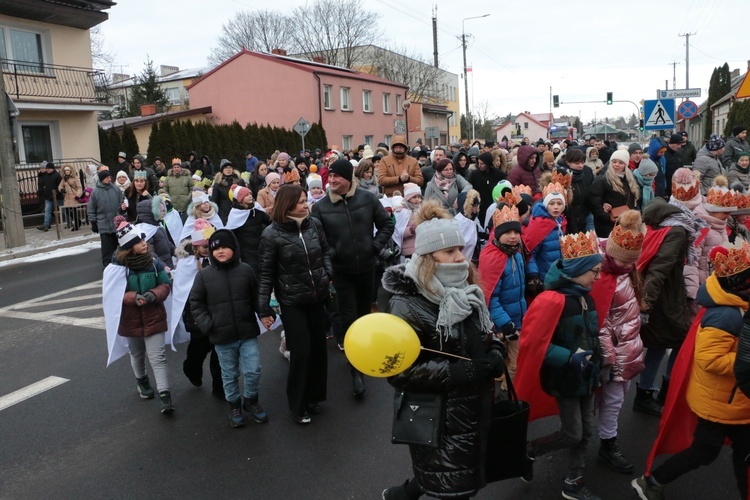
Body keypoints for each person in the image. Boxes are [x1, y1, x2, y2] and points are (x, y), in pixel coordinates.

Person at [380, 202, 502, 500]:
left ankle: (404, 494)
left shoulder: (467, 287)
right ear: (427, 258)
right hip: (440, 415)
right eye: (450, 252)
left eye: (460, 248)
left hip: (474, 406)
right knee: (454, 483)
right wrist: (461, 371)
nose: (461, 257)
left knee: (458, 473)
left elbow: (484, 332)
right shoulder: (406, 304)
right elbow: (399, 371)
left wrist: (496, 348)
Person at [632, 243, 750, 500]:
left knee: (743, 454)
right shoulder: (725, 316)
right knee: (705, 451)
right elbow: (710, 360)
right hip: (720, 402)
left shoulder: (735, 305)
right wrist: (746, 359)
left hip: (732, 400)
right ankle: (651, 482)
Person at [515, 231, 603, 500]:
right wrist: (568, 357)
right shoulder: (552, 300)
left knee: (587, 431)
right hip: (565, 379)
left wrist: (600, 360)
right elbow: (534, 342)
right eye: (594, 272)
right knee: (573, 433)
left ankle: (573, 481)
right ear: (577, 271)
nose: (597, 277)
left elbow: (592, 333)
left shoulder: (586, 296)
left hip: (587, 375)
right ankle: (532, 449)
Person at [311, 159, 394, 397]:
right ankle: (356, 370)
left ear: (349, 178)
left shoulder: (367, 199)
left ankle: (365, 352)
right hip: (342, 272)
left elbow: (386, 225)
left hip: (367, 269)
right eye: (331, 176)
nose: (333, 180)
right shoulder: (321, 207)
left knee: (364, 315)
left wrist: (374, 247)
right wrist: (332, 257)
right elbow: (319, 241)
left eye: (337, 176)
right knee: (349, 318)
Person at [258, 185, 332, 424]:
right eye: (300, 201)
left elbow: (325, 251)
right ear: (287, 205)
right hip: (292, 302)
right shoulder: (271, 234)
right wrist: (263, 307)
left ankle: (314, 398)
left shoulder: (315, 225)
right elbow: (265, 273)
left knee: (319, 350)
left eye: (305, 200)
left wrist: (327, 273)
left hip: (317, 297)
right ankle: (298, 404)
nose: (305, 204)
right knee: (301, 352)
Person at [189, 229, 267, 428]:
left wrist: (265, 313)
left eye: (225, 247)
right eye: (216, 248)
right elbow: (196, 302)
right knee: (229, 374)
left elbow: (256, 297)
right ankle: (234, 404)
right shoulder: (204, 276)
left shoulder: (246, 270)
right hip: (222, 336)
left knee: (253, 369)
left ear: (234, 248)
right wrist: (208, 325)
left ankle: (251, 400)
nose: (220, 251)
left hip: (247, 332)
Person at [589, 210, 645, 474]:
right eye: (624, 261)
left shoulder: (626, 268)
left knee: (620, 396)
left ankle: (601, 437)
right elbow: (601, 322)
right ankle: (607, 446)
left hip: (629, 344)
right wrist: (608, 358)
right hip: (615, 351)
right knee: (612, 401)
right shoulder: (601, 274)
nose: (628, 265)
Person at [633, 197, 700, 416]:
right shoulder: (677, 231)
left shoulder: (662, 229)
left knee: (658, 344)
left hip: (664, 294)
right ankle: (660, 393)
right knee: (677, 341)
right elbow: (659, 269)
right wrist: (646, 305)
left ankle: (650, 393)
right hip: (665, 298)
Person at [110, 216, 174, 414]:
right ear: (129, 247)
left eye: (144, 240)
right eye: (139, 242)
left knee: (158, 357)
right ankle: (142, 381)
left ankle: (165, 395)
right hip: (130, 318)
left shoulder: (154, 262)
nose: (144, 244)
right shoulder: (118, 268)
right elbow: (113, 292)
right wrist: (133, 297)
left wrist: (154, 295)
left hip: (153, 314)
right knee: (137, 353)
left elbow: (166, 284)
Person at [173, 219, 223, 398]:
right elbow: (182, 290)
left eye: (210, 245)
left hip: (218, 311)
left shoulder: (218, 258)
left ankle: (220, 387)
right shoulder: (186, 264)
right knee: (199, 348)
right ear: (195, 247)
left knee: (219, 351)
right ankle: (191, 368)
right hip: (196, 315)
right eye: (203, 246)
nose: (208, 249)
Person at [479, 203, 527, 385]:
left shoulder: (515, 252)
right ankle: (511, 394)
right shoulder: (494, 258)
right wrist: (506, 324)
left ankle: (506, 385)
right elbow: (491, 297)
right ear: (498, 234)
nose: (514, 236)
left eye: (516, 232)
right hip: (505, 322)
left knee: (509, 359)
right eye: (508, 233)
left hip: (517, 316)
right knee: (516, 361)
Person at [588, 148, 640, 237]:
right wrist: (606, 217)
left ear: (625, 165)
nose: (617, 165)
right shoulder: (602, 179)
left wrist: (635, 215)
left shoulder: (630, 180)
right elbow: (594, 202)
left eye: (621, 162)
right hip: (608, 225)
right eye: (614, 162)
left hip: (627, 223)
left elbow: (634, 201)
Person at [523, 181, 567, 283]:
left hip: (558, 276)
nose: (556, 207)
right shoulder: (539, 224)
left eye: (559, 203)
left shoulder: (561, 222)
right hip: (544, 277)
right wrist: (534, 275)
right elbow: (530, 253)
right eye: (552, 203)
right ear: (546, 205)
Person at [225, 184, 270, 273]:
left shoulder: (256, 210)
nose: (250, 196)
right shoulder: (235, 214)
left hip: (261, 247)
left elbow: (270, 222)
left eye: (250, 194)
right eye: (246, 195)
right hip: (245, 251)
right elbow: (231, 233)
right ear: (240, 199)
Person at [88, 170, 124, 268]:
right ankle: (107, 266)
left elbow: (122, 202)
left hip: (116, 221)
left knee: (117, 245)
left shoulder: (116, 189)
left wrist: (122, 210)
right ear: (101, 179)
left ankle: (119, 264)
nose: (109, 179)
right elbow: (91, 208)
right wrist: (93, 222)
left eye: (109, 177)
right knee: (106, 246)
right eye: (106, 178)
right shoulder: (95, 192)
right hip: (103, 222)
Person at [135, 197, 175, 269]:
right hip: (159, 266)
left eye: (163, 210)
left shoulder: (158, 226)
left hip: (167, 262)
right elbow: (150, 251)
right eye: (160, 211)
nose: (163, 212)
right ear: (151, 212)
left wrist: (177, 252)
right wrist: (162, 265)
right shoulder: (146, 230)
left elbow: (167, 243)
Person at [468, 152, 505, 227]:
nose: (479, 165)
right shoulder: (474, 175)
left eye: (482, 163)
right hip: (480, 206)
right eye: (478, 163)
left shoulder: (499, 174)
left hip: (494, 206)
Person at [453, 189, 482, 263]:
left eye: (477, 205)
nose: (476, 209)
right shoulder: (459, 221)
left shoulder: (474, 220)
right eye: (474, 206)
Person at [211, 159, 244, 224]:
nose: (228, 169)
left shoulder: (239, 181)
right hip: (224, 215)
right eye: (226, 168)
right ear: (222, 170)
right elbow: (214, 201)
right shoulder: (218, 184)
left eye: (230, 167)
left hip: (239, 213)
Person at [36, 161, 62, 232]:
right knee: (47, 210)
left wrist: (56, 192)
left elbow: (60, 186)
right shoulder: (46, 176)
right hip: (48, 197)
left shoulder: (57, 175)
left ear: (52, 168)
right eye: (46, 168)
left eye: (47, 168)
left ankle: (70, 222)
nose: (46, 170)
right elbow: (45, 186)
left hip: (57, 196)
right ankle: (46, 225)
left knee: (63, 210)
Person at [58, 164, 83, 231]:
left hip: (73, 196)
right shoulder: (64, 179)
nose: (66, 172)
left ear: (70, 171)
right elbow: (59, 186)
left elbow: (79, 188)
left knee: (73, 211)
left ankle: (77, 224)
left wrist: (77, 195)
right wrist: (62, 189)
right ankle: (78, 221)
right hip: (67, 197)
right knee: (67, 210)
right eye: (65, 170)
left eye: (68, 170)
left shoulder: (75, 178)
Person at [663, 134, 685, 198]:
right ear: (672, 143)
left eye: (681, 144)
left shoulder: (678, 155)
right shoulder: (664, 155)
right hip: (667, 188)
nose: (680, 146)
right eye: (678, 144)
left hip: (678, 188)